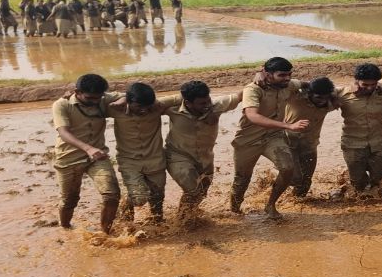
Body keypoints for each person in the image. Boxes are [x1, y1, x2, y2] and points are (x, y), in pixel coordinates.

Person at [229, 57, 311, 218]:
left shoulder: (289, 85)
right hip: (248, 140)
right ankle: (235, 211)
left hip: (273, 137)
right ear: (267, 74)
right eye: (282, 75)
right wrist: (289, 126)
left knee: (288, 168)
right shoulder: (253, 89)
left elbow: (307, 84)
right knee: (242, 179)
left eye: (289, 74)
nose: (287, 78)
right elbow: (252, 116)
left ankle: (271, 205)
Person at [52, 74, 121, 234]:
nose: (95, 101)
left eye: (99, 97)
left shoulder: (103, 98)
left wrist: (122, 100)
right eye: (90, 98)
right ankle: (65, 229)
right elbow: (63, 132)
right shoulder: (61, 105)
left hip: (97, 158)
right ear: (77, 91)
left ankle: (106, 233)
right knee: (70, 200)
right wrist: (88, 148)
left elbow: (131, 94)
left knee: (111, 195)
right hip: (69, 158)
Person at [165, 80, 241, 214]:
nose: (207, 105)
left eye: (208, 101)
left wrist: (260, 76)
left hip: (205, 158)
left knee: (201, 192)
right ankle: (183, 222)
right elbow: (148, 104)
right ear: (188, 103)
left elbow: (241, 96)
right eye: (202, 103)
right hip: (178, 156)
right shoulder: (172, 108)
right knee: (193, 190)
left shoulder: (217, 105)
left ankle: (186, 217)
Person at [108, 82, 177, 223]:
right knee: (139, 198)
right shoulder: (115, 109)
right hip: (129, 161)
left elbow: (182, 96)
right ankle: (126, 218)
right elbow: (95, 97)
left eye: (148, 106)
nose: (144, 110)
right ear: (129, 101)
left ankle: (157, 222)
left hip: (155, 160)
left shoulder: (157, 107)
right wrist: (122, 97)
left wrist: (156, 103)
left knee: (157, 195)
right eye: (139, 106)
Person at [335, 63, 382, 194]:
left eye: (373, 84)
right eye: (365, 85)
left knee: (378, 179)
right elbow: (318, 95)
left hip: (377, 143)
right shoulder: (342, 95)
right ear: (357, 81)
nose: (369, 88)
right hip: (353, 144)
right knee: (358, 184)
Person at [282, 77, 340, 197]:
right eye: (318, 97)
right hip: (288, 142)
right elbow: (285, 84)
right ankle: (277, 185)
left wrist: (332, 96)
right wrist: (304, 83)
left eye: (326, 98)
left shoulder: (329, 103)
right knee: (296, 177)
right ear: (309, 93)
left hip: (309, 145)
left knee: (306, 180)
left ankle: (298, 202)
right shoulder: (295, 98)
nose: (322, 101)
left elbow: (347, 90)